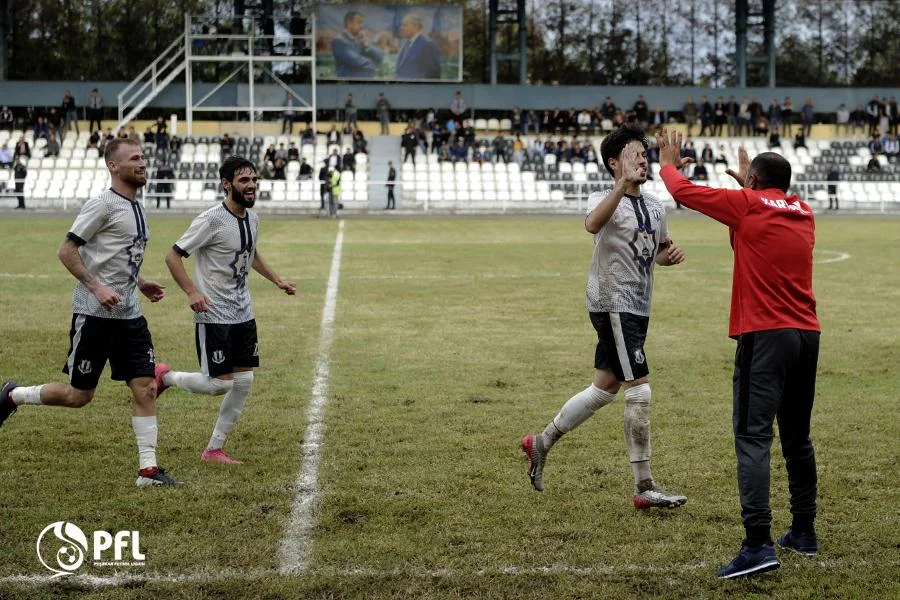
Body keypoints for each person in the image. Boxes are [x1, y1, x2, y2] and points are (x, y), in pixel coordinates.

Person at [656, 129, 821, 579]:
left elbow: (682, 191)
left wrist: (667, 161)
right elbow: (747, 236)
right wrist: (745, 189)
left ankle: (758, 544)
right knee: (797, 437)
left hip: (765, 335)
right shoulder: (803, 212)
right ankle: (803, 532)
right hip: (807, 334)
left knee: (752, 437)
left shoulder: (747, 204)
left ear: (753, 183)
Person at [519, 126, 688, 510]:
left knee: (604, 388)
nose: (643, 160)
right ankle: (644, 487)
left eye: (645, 156)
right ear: (614, 163)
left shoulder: (656, 207)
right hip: (612, 302)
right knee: (640, 389)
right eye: (634, 154)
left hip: (638, 306)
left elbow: (657, 251)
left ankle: (540, 442)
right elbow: (593, 225)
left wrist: (669, 257)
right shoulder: (603, 197)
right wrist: (620, 186)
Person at [0, 138, 179, 486]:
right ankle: (12, 396)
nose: (143, 163)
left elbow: (118, 256)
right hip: (94, 315)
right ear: (113, 166)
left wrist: (139, 281)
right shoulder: (102, 204)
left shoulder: (138, 206)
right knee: (79, 396)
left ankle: (148, 471)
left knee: (145, 387)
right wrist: (96, 287)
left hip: (130, 315)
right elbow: (67, 251)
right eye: (134, 159)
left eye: (143, 157)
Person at [156, 156, 296, 464]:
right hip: (214, 313)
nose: (251, 186)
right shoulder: (211, 220)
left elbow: (251, 253)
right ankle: (166, 378)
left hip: (243, 312)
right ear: (226, 183)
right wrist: (192, 291)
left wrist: (276, 280)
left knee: (244, 381)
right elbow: (173, 256)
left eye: (254, 180)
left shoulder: (253, 219)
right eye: (244, 180)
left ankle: (214, 449)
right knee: (220, 383)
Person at [331, 10, 383, 78]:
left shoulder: (361, 40)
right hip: (349, 84)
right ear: (349, 23)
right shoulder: (339, 41)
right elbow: (356, 62)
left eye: (362, 23)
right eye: (359, 23)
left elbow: (379, 58)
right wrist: (374, 65)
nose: (362, 26)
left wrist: (366, 46)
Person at [395, 13, 441, 79]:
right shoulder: (405, 44)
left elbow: (434, 74)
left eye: (404, 25)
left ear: (415, 26)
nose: (401, 28)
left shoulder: (428, 45)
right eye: (402, 25)